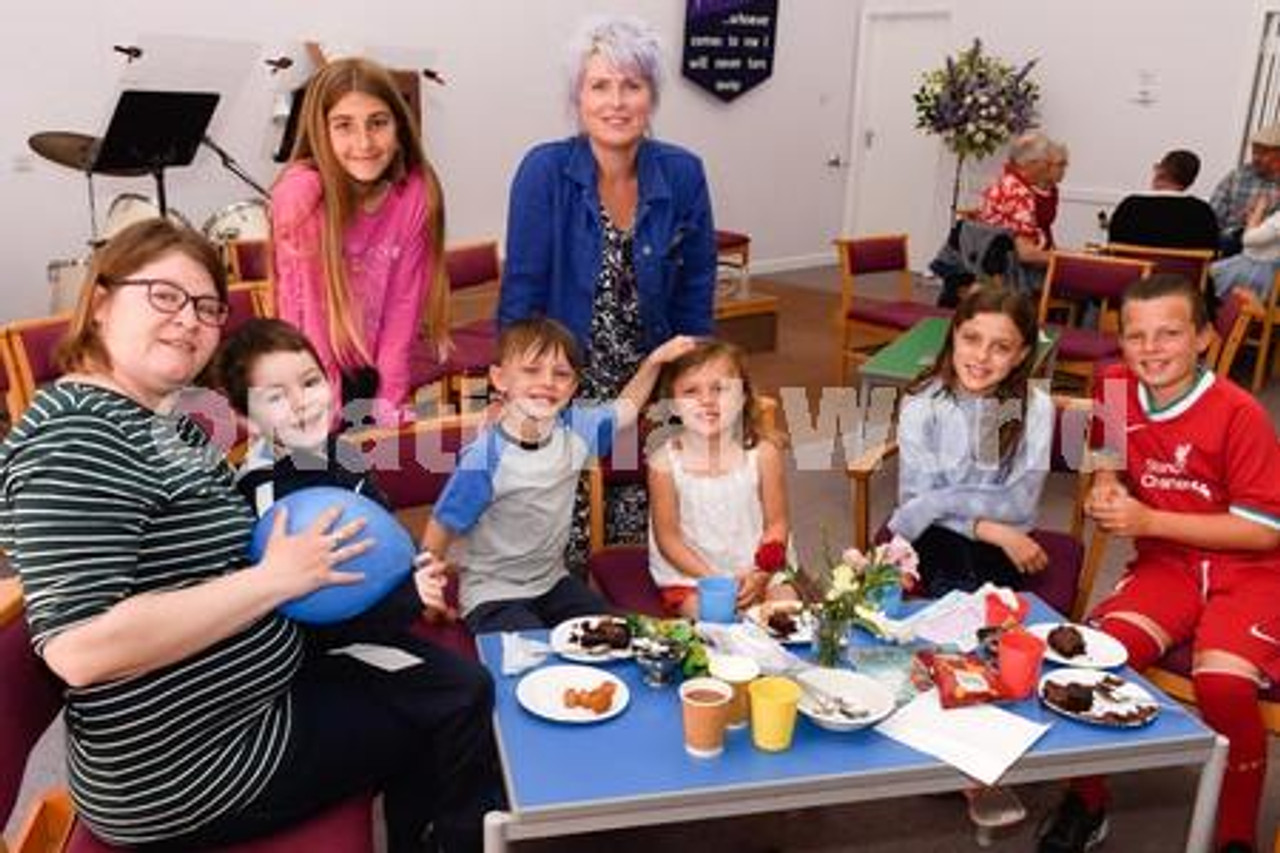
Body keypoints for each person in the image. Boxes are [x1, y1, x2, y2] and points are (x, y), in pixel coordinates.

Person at [0, 219, 495, 853]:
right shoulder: (75, 437)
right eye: (165, 295)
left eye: (208, 308)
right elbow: (79, 649)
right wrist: (275, 579)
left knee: (443, 681)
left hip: (239, 713)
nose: (190, 321)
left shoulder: (155, 419)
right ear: (99, 303)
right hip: (196, 769)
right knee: (456, 703)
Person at [1038, 274, 1280, 853]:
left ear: (1203, 338)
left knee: (1223, 685)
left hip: (1249, 571)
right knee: (1095, 661)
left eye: (1169, 333)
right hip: (1166, 565)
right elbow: (1102, 451)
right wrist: (1104, 484)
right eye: (1136, 335)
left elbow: (1261, 531)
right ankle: (1087, 801)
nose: (1150, 349)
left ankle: (1234, 834)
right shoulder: (1115, 384)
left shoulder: (1239, 412)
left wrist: (1147, 520)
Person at [498, 14, 717, 569]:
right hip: (564, 379)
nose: (616, 102)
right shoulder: (544, 171)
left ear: (651, 96)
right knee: (557, 544)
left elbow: (695, 292)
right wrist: (516, 394)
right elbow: (521, 294)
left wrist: (694, 389)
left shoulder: (684, 173)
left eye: (632, 85)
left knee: (649, 537)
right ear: (578, 96)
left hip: (654, 373)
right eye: (600, 85)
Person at [421, 317, 695, 634]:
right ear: (499, 379)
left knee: (618, 635)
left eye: (561, 374)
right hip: (493, 596)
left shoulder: (577, 429)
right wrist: (429, 596)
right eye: (531, 370)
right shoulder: (484, 458)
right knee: (532, 660)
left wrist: (654, 360)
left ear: (574, 386)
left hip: (552, 584)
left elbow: (626, 409)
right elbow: (442, 525)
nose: (548, 382)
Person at [213, 316, 456, 638]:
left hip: (382, 613)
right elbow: (304, 603)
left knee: (473, 682)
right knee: (460, 687)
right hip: (321, 647)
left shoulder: (341, 451)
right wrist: (410, 597)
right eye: (276, 397)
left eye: (310, 382)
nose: (301, 403)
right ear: (248, 419)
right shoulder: (262, 492)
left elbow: (381, 521)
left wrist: (420, 564)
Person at [271, 56, 449, 426]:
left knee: (391, 471)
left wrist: (390, 401)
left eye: (378, 123)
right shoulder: (301, 197)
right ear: (321, 132)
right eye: (344, 126)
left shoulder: (415, 194)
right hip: (304, 373)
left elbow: (403, 305)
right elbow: (307, 313)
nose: (364, 142)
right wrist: (326, 411)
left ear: (399, 126)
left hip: (374, 367)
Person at [887, 285, 1054, 598]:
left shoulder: (1037, 408)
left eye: (1001, 347)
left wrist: (935, 502)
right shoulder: (923, 399)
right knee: (956, 590)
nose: (981, 356)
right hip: (939, 532)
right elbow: (914, 498)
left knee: (986, 603)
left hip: (1005, 534)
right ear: (954, 336)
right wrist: (994, 531)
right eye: (971, 338)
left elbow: (1019, 502)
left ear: (1021, 355)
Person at [647, 338, 796, 619]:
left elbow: (777, 524)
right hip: (693, 577)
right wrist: (715, 580)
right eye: (691, 392)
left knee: (787, 612)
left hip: (757, 572)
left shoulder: (763, 453)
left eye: (720, 389)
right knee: (713, 622)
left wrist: (762, 573)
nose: (707, 400)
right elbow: (669, 540)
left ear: (742, 396)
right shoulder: (664, 463)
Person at [976, 131, 1058, 283]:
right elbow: (1026, 254)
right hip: (1013, 274)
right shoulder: (1020, 195)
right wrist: (1066, 260)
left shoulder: (1003, 182)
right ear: (1031, 163)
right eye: (1046, 163)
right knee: (1086, 283)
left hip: (991, 264)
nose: (1048, 169)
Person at [1107, 149, 1220, 251]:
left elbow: (1113, 248)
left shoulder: (1129, 207)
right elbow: (1211, 254)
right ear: (1190, 182)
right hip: (1183, 274)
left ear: (1160, 171)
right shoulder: (1203, 213)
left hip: (1133, 274)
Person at [1209, 123, 1280, 256]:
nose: (1256, 158)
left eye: (1263, 153)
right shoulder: (1237, 176)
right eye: (1254, 152)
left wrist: (1257, 219)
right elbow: (1213, 216)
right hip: (1229, 240)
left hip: (1267, 248)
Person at [1208, 191, 1280, 307]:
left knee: (1207, 278)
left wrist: (1259, 209)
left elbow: (1247, 239)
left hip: (1259, 270)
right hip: (1255, 263)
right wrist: (1252, 215)